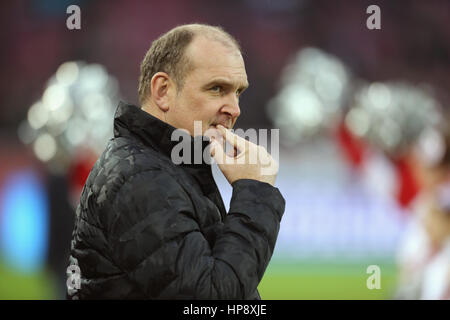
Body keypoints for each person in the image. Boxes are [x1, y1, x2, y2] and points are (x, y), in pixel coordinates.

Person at [66, 23, 285, 299]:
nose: (235, 109)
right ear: (162, 90)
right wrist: (256, 194)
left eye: (238, 92)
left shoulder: (166, 167)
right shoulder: (140, 178)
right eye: (217, 88)